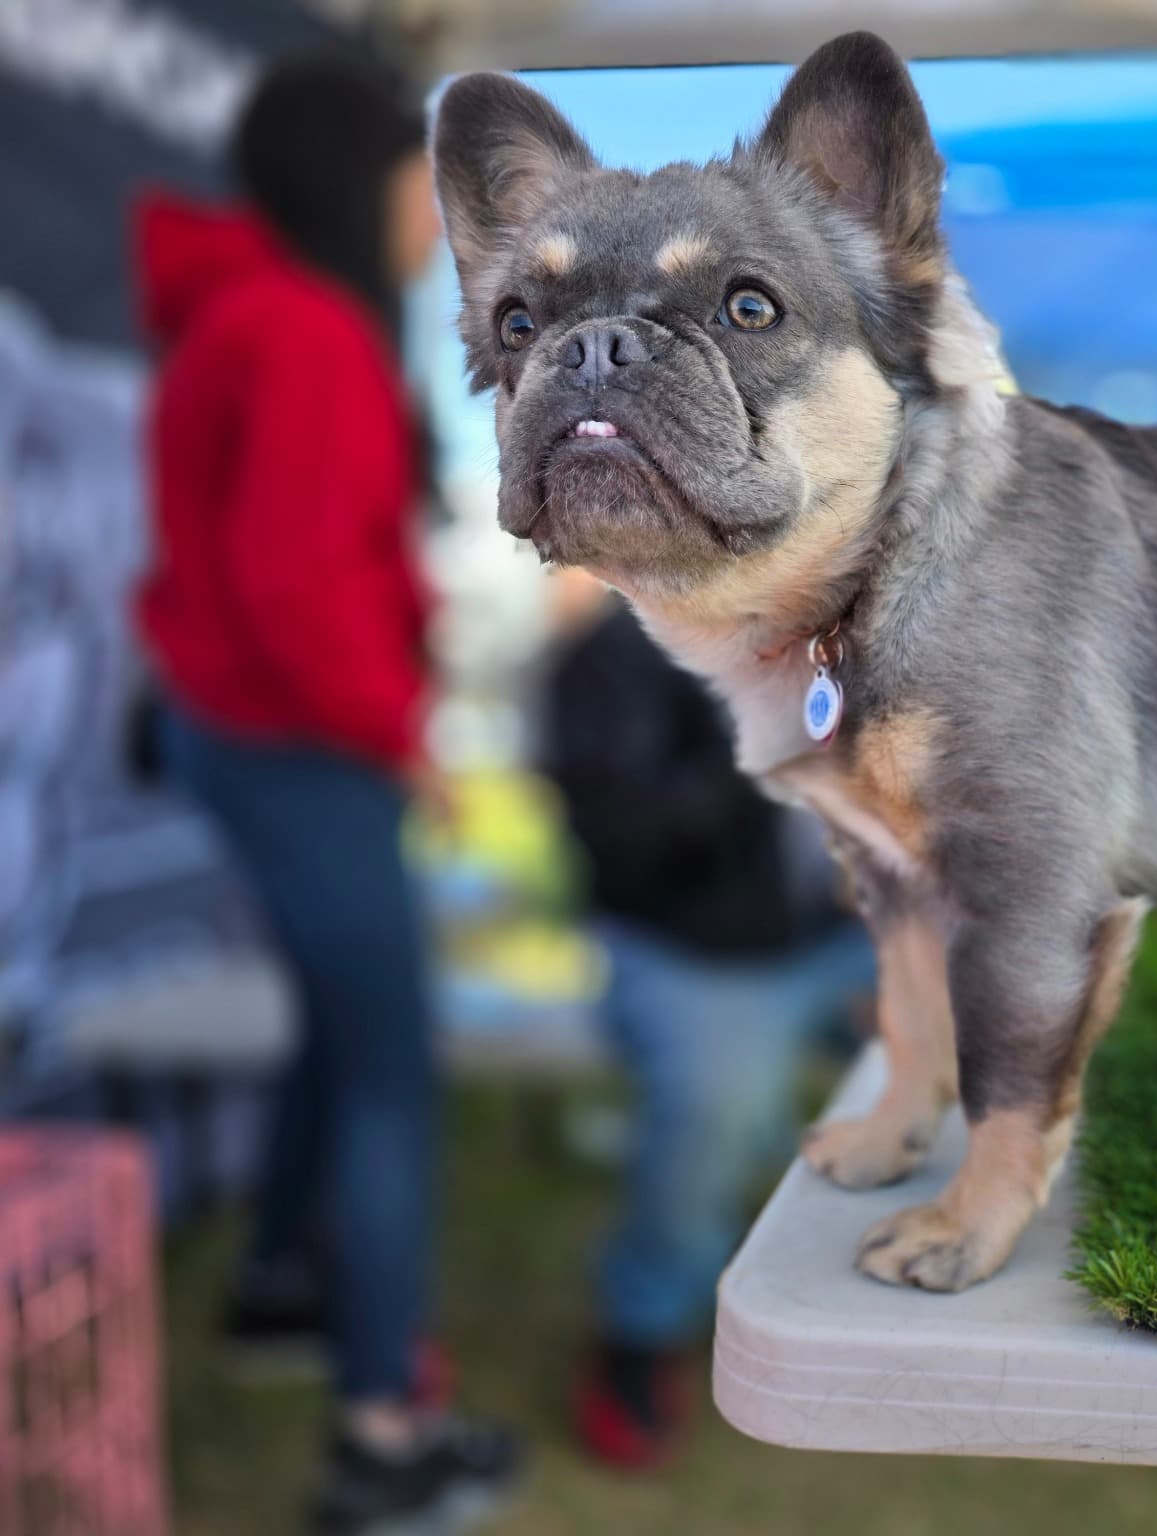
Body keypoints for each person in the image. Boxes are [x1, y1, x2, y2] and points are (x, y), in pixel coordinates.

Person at [135, 49, 518, 1534]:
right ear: (350, 184)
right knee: (391, 1070)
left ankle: (282, 1286)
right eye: (418, 186)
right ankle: (382, 1438)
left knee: (338, 1024)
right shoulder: (300, 329)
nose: (433, 220)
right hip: (299, 741)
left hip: (248, 730)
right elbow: (297, 592)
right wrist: (402, 734)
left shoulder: (255, 311)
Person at [539, 581, 874, 1470]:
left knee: (1003, 1017)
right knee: (717, 1107)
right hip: (699, 951)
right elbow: (627, 844)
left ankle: (897, 1281)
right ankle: (641, 1331)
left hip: (845, 931)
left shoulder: (861, 613)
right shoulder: (615, 653)